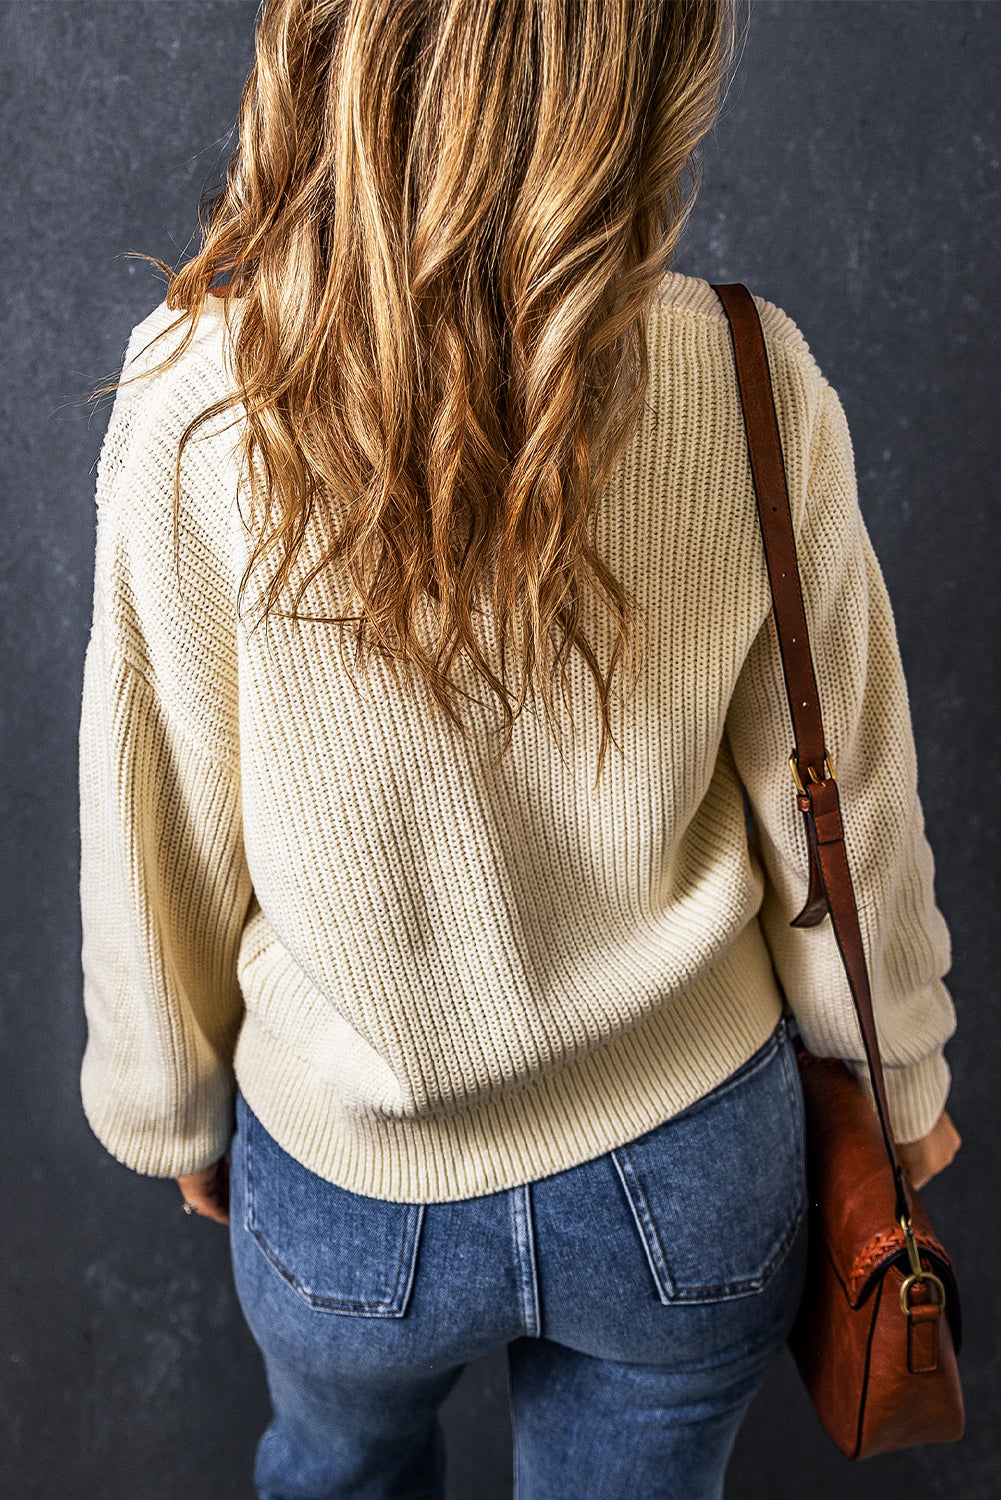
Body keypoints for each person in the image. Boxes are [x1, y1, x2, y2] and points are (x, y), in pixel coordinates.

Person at [78, 1, 962, 1496]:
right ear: (650, 73)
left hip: (349, 1173)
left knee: (332, 1476)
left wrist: (167, 1099)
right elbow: (845, 797)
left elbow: (154, 812)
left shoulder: (188, 399)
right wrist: (905, 1084)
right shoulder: (746, 377)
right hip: (690, 1167)